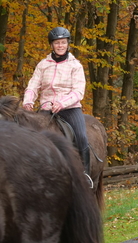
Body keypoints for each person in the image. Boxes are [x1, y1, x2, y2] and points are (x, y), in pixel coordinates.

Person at [23, 26, 94, 187]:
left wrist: (62, 103)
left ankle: (85, 175)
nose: (60, 46)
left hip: (70, 108)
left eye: (63, 42)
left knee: (82, 137)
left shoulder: (75, 65)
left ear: (68, 44)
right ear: (52, 45)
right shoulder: (43, 65)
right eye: (57, 43)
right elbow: (33, 86)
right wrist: (28, 101)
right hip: (46, 109)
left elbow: (78, 91)